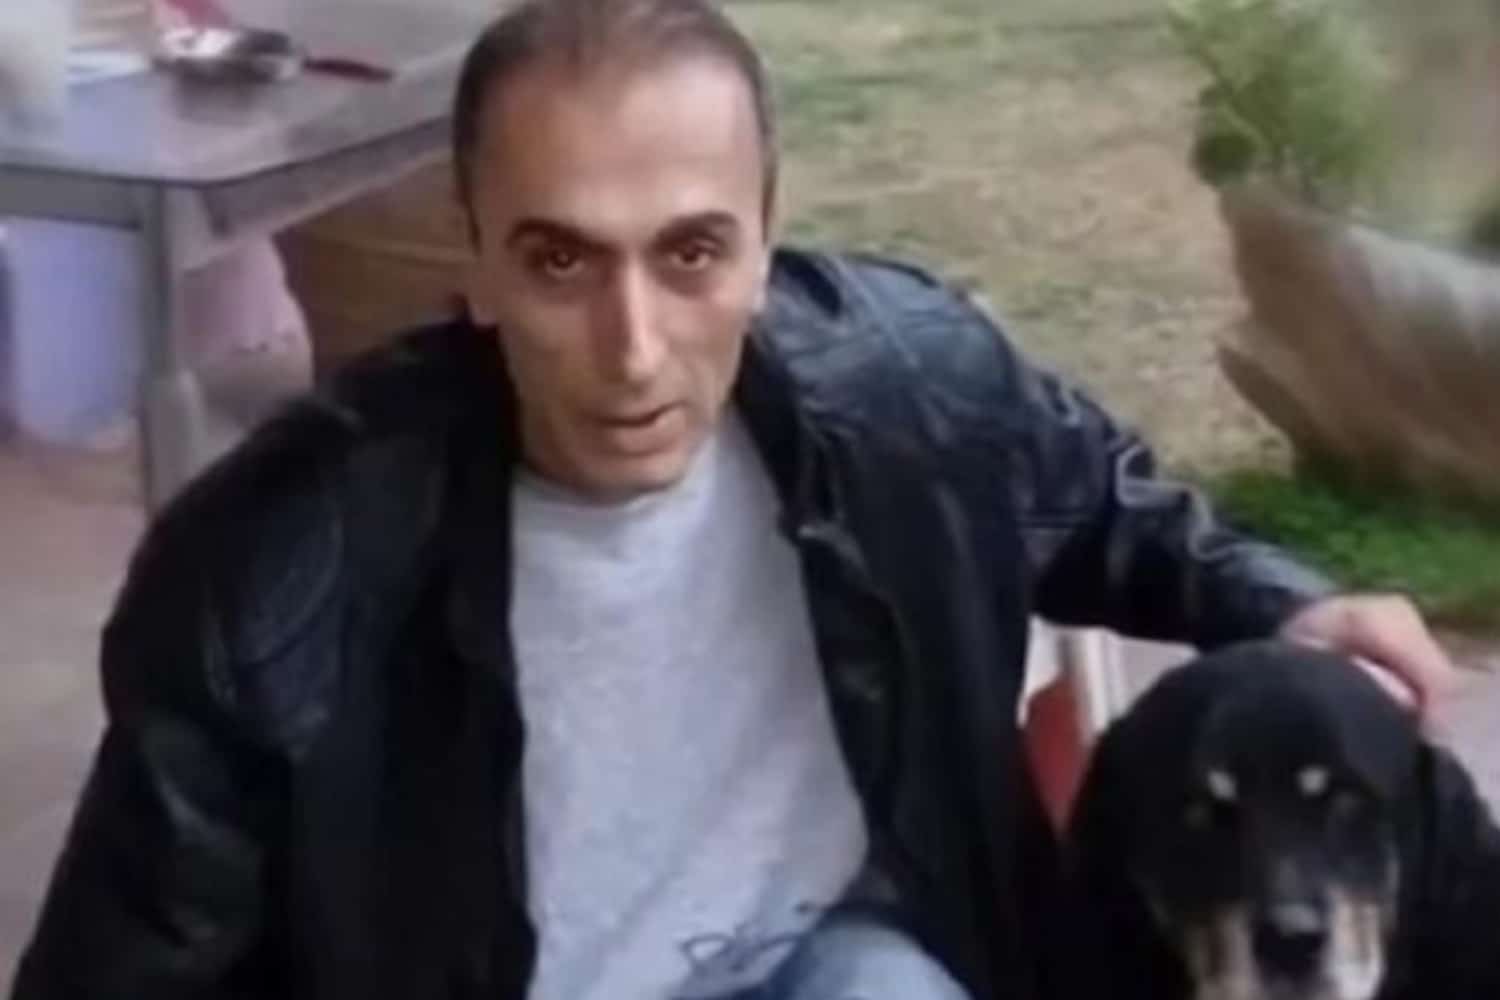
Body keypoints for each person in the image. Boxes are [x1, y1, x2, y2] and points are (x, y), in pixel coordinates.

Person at [11, 1, 1457, 998]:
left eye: (692, 254)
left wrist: (1290, 603)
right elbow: (125, 961)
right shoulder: (274, 567)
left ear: (768, 240)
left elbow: (1113, 507)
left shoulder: (911, 382)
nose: (635, 350)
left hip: (836, 953)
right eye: (561, 261)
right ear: (476, 261)